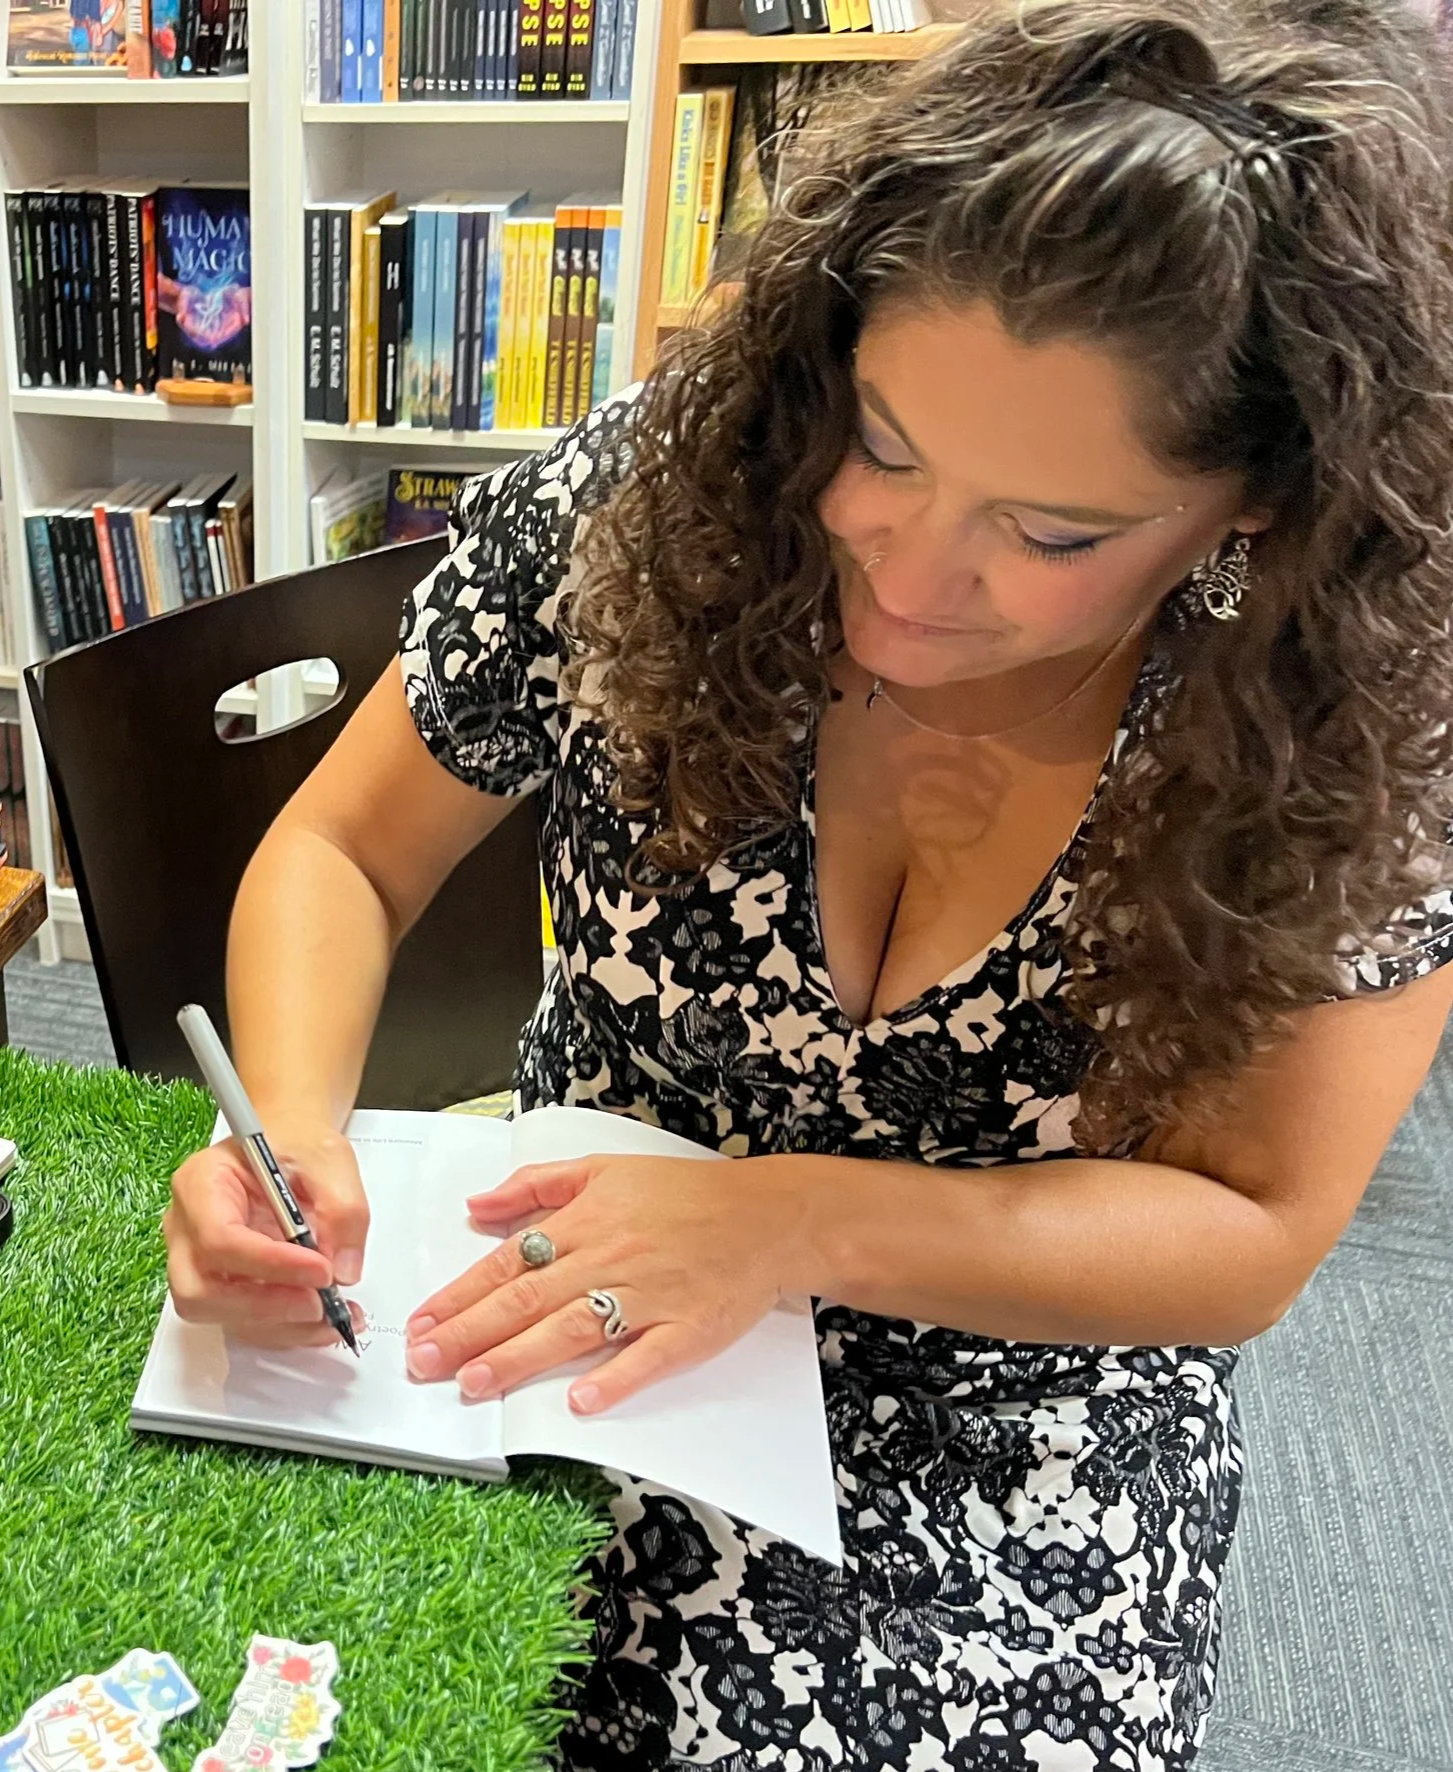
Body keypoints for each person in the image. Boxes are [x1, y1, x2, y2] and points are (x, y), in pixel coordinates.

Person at [163, 0, 1453, 1764]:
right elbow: (343, 847)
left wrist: (788, 1219)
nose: (917, 577)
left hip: (1016, 1377)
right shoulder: (661, 498)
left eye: (1056, 536)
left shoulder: (1365, 722)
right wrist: (291, 1127)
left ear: (1255, 514)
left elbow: (1251, 1234)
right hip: (563, 1281)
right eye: (887, 447)